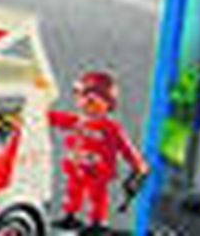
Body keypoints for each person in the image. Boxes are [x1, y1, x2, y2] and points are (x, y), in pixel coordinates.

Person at [49, 71, 148, 234]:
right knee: (73, 192)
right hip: (77, 166)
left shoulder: (110, 128)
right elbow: (56, 118)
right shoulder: (78, 122)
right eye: (81, 98)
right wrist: (37, 113)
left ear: (107, 104)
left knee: (97, 197)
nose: (84, 104)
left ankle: (97, 222)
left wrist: (138, 164)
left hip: (97, 171)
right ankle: (70, 215)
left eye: (91, 101)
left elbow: (126, 147)